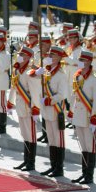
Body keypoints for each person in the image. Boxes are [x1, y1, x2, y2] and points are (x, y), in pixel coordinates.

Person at [33, 46, 68, 177]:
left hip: (55, 110)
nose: (50, 57)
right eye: (49, 55)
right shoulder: (46, 72)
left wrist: (49, 101)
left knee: (58, 140)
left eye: (53, 55)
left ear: (59, 58)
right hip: (47, 111)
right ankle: (53, 166)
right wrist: (38, 72)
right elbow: (33, 77)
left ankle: (59, 168)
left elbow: (62, 94)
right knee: (51, 140)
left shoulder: (61, 75)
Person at [69, 50, 96, 184]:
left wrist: (94, 119)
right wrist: (71, 112)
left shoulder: (95, 79)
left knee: (90, 146)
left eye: (82, 60)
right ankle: (84, 173)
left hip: (88, 117)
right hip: (78, 115)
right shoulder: (77, 77)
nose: (80, 62)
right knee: (83, 146)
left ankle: (89, 175)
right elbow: (74, 97)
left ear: (88, 62)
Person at [8, 46, 42, 171]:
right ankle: (26, 160)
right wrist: (10, 103)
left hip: (28, 107)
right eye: (19, 54)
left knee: (31, 135)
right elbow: (13, 87)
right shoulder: (18, 70)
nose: (19, 56)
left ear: (28, 57)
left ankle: (31, 163)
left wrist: (36, 109)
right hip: (20, 105)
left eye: (22, 54)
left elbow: (34, 92)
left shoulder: (30, 72)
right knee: (24, 134)